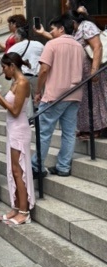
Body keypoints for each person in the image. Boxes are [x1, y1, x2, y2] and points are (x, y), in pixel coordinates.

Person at [31, 14, 84, 178]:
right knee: (68, 133)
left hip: (54, 95)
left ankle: (36, 166)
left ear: (61, 28)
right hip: (74, 93)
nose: (51, 32)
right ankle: (63, 167)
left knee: (44, 132)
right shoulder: (78, 46)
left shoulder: (51, 44)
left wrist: (38, 91)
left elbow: (44, 70)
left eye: (53, 28)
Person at [0, 53, 35, 225]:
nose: (3, 70)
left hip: (19, 129)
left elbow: (15, 111)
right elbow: (10, 108)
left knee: (18, 170)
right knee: (13, 169)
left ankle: (24, 211)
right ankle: (16, 207)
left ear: (12, 66)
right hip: (13, 128)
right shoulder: (15, 82)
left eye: (4, 67)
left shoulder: (22, 83)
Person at [71, 11, 107, 139]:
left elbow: (97, 46)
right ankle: (87, 128)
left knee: (95, 99)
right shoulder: (76, 30)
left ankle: (96, 129)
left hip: (92, 71)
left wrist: (94, 70)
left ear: (73, 21)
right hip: (83, 73)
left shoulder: (87, 26)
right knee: (86, 101)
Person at [8, 27, 44, 118]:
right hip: (37, 76)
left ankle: (30, 119)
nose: (14, 38)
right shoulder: (38, 44)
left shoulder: (14, 48)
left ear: (18, 37)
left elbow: (7, 60)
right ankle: (41, 117)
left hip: (22, 77)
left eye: (15, 36)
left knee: (26, 100)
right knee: (39, 97)